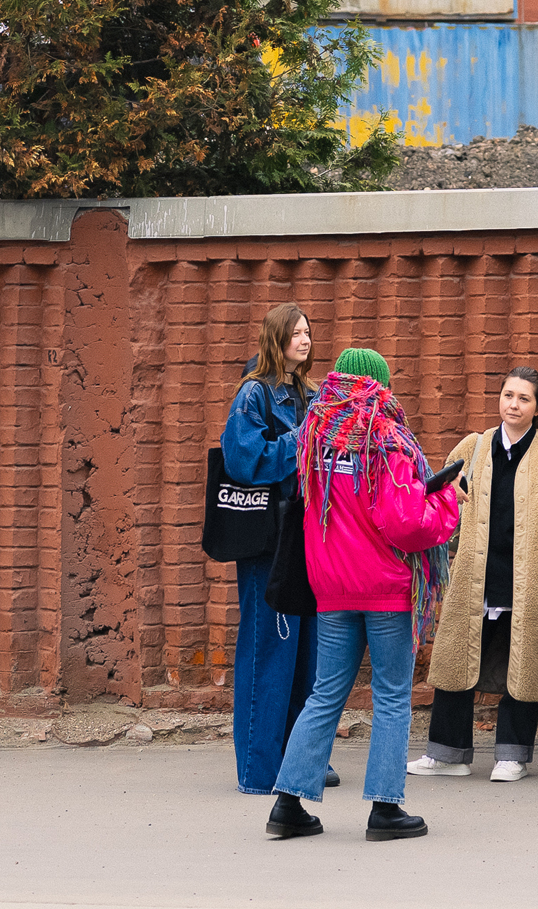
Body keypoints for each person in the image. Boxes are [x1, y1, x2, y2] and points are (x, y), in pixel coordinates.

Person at [265, 352, 463, 843]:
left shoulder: (314, 435)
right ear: (379, 384)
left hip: (332, 586)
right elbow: (406, 523)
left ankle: (288, 803)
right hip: (385, 588)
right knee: (392, 696)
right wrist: (445, 499)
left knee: (326, 692)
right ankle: (385, 809)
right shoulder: (384, 438)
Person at [411, 367, 538, 782]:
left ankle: (512, 755)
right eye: (508, 395)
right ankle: (448, 754)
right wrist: (452, 497)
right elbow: (435, 496)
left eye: (524, 398)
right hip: (474, 575)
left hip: (526, 579)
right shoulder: (474, 447)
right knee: (455, 662)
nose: (513, 405)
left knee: (521, 666)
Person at [220, 303, 321, 796]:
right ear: (276, 339)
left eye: (308, 333)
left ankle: (299, 762)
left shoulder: (309, 393)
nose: (305, 340)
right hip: (269, 540)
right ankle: (260, 773)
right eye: (296, 333)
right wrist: (300, 444)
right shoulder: (254, 393)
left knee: (307, 654)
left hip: (309, 537)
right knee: (269, 650)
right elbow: (244, 460)